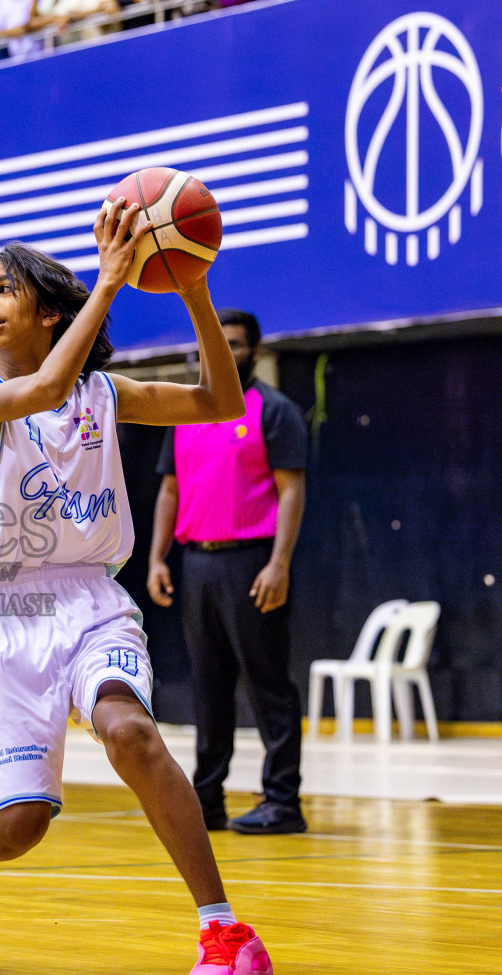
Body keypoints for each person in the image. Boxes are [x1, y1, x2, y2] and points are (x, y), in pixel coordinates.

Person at [0, 208, 273, 975]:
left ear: (49, 309)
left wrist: (192, 288)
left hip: (94, 598)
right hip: (10, 612)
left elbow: (220, 403)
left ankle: (222, 929)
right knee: (20, 826)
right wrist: (114, 281)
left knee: (131, 733)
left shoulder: (99, 393)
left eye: (3, 289)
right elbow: (48, 380)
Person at [147, 309, 308, 836]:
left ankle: (282, 801)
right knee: (208, 687)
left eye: (235, 345)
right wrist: (156, 557)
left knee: (268, 686)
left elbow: (291, 490)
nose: (225, 353)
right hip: (197, 564)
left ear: (254, 351)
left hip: (251, 562)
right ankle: (206, 800)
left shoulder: (274, 410)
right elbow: (169, 490)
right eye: (217, 345)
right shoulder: (187, 413)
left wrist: (278, 564)